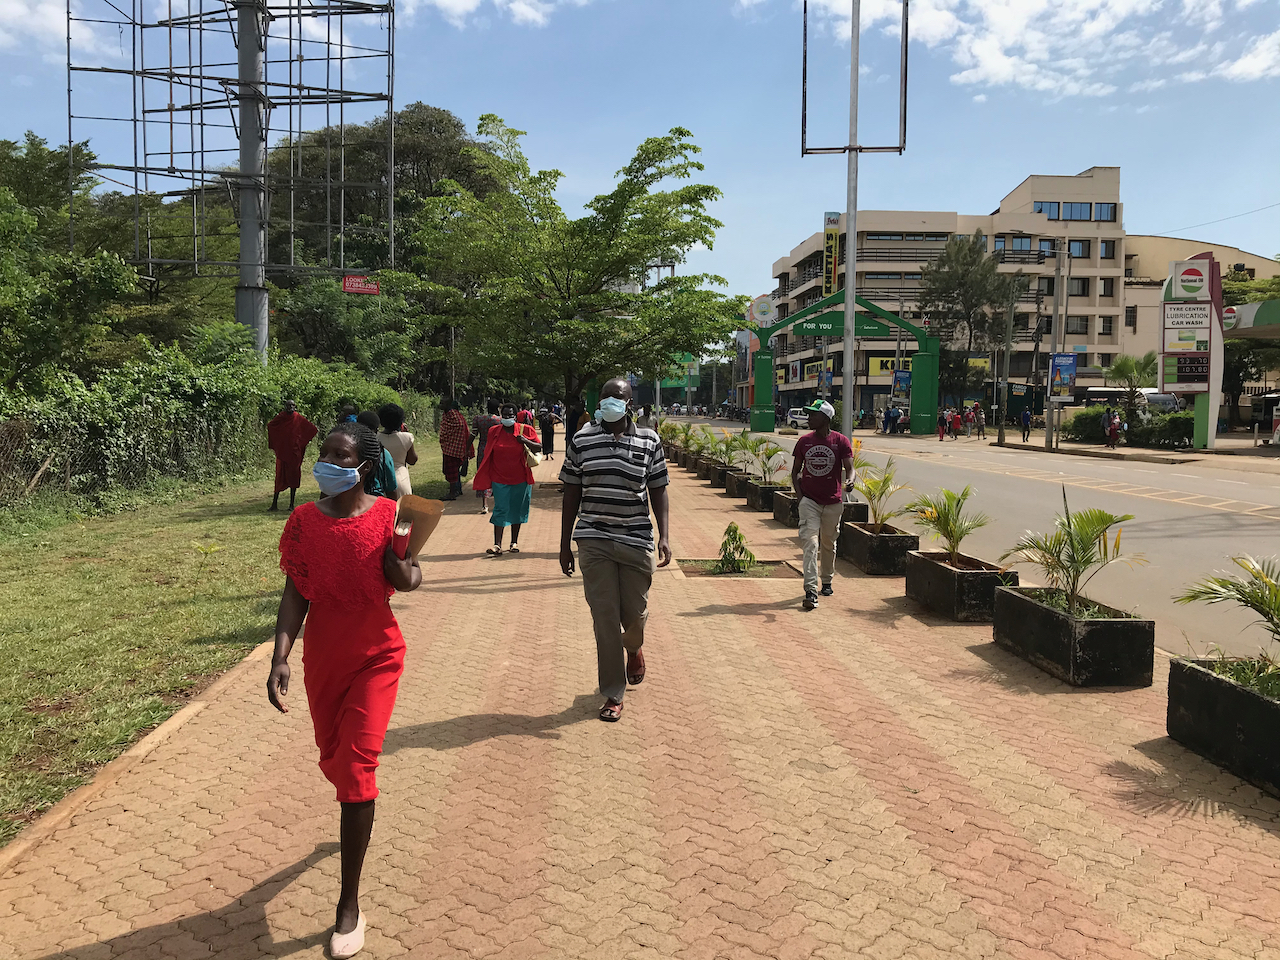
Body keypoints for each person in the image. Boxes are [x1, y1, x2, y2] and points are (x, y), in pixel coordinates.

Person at [268, 421, 422, 959]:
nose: (329, 463)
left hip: (378, 654)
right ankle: (353, 813)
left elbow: (411, 578)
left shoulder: (391, 514)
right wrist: (280, 656)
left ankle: (348, 907)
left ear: (364, 466)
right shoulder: (304, 521)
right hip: (325, 658)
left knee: (356, 769)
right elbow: (296, 592)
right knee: (335, 760)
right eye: (325, 453)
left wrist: (399, 568)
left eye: (341, 456)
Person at [559, 378, 670, 723]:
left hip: (636, 539)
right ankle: (612, 692)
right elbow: (572, 493)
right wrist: (564, 544)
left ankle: (634, 647)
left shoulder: (649, 440)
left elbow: (658, 489)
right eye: (605, 396)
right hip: (593, 539)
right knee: (604, 618)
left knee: (635, 615)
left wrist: (664, 536)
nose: (610, 402)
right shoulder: (582, 440)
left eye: (617, 397)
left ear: (629, 403)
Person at [791, 400, 856, 611]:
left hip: (833, 502)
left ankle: (826, 580)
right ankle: (810, 591)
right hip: (809, 501)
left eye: (814, 415)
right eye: (809, 414)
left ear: (826, 418)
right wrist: (800, 497)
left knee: (828, 542)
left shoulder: (840, 441)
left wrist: (850, 480)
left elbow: (850, 468)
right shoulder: (804, 441)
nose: (809, 418)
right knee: (810, 543)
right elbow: (795, 471)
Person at [472, 403, 541, 555]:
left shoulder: (525, 430)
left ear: (515, 416)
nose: (507, 418)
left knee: (517, 509)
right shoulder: (494, 431)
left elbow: (538, 447)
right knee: (500, 509)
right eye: (504, 415)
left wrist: (524, 441)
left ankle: (513, 543)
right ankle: (497, 545)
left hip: (521, 478)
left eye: (510, 415)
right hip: (499, 478)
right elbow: (488, 453)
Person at [267, 400, 318, 512]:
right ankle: (274, 504)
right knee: (279, 477)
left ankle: (291, 504)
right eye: (288, 405)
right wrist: (278, 442)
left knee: (293, 477)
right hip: (282, 453)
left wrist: (301, 442)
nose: (290, 407)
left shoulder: (298, 418)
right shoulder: (281, 417)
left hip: (294, 454)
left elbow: (312, 430)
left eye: (292, 405)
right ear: (285, 407)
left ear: (295, 407)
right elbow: (270, 425)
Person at [376, 403, 417, 499]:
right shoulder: (407, 437)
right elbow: (412, 460)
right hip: (401, 480)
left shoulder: (375, 438)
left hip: (381, 482)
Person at [356, 411, 398, 499]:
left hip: (352, 502)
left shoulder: (349, 452)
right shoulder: (383, 454)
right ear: (376, 431)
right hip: (375, 501)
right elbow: (391, 489)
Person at [438, 399, 472, 501]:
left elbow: (459, 426)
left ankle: (452, 493)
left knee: (452, 470)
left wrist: (449, 437)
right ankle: (457, 489)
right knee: (453, 470)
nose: (440, 405)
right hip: (450, 447)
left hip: (453, 447)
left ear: (448, 404)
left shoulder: (452, 414)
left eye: (442, 403)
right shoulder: (447, 414)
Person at [471, 400, 501, 515]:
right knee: (497, 474)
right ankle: (498, 502)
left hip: (483, 449)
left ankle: (484, 505)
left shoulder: (479, 419)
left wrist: (467, 448)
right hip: (496, 450)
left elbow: (473, 435)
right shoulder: (499, 420)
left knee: (483, 474)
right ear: (497, 408)